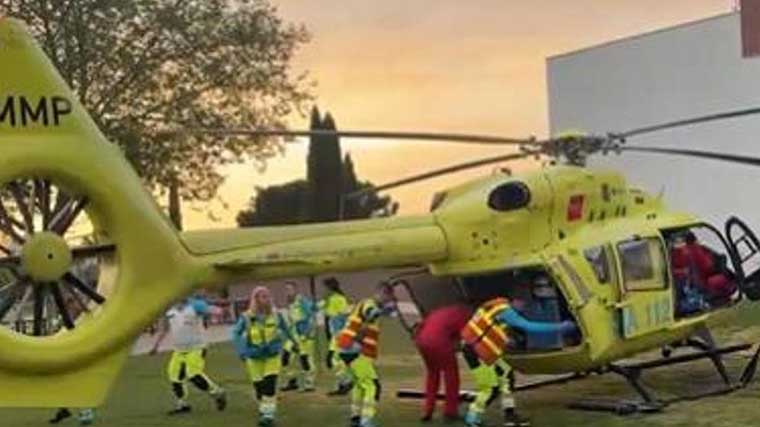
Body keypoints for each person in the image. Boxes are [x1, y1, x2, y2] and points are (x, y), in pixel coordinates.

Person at [460, 295, 577, 427]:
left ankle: (510, 416)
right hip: (477, 352)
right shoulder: (507, 312)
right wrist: (561, 327)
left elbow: (489, 326)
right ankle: (472, 419)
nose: (524, 308)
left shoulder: (495, 305)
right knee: (490, 388)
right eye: (523, 303)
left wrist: (505, 338)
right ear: (515, 301)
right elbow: (530, 327)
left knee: (507, 376)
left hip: (478, 349)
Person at [150, 294, 227, 415]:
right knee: (174, 377)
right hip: (179, 350)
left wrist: (218, 311)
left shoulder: (196, 305)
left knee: (194, 374)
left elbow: (212, 310)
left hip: (196, 348)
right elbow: (164, 328)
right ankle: (182, 404)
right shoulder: (169, 309)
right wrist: (156, 346)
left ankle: (217, 392)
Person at [231, 286, 296, 427]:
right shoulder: (246, 317)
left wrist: (294, 342)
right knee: (259, 388)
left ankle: (268, 415)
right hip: (254, 356)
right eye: (263, 296)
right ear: (256, 299)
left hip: (272, 354)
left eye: (268, 296)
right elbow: (235, 333)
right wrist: (241, 350)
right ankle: (264, 408)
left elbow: (286, 329)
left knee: (269, 384)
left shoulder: (277, 315)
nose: (266, 299)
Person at [336, 282, 398, 427]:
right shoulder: (369, 304)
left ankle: (355, 416)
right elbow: (370, 313)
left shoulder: (367, 304)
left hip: (349, 348)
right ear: (382, 293)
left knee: (359, 384)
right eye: (387, 297)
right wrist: (385, 310)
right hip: (356, 350)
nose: (387, 300)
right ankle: (366, 420)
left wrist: (387, 310)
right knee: (373, 386)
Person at [414, 304, 473, 422]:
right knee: (451, 375)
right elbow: (466, 339)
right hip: (439, 340)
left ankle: (428, 410)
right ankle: (450, 411)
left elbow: (420, 326)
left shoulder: (440, 311)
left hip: (421, 340)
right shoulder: (467, 316)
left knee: (432, 373)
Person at [280, 282, 318, 392]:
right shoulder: (289, 302)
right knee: (286, 357)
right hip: (293, 335)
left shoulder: (302, 301)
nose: (288, 292)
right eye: (286, 289)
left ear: (296, 290)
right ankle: (292, 380)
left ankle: (309, 383)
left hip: (304, 335)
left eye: (290, 289)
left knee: (306, 359)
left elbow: (311, 317)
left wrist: (307, 332)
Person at [320, 277, 353, 396]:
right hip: (334, 335)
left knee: (333, 360)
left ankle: (347, 381)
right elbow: (319, 308)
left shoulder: (339, 299)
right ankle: (342, 385)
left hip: (340, 335)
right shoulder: (329, 300)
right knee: (335, 360)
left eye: (325, 287)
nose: (323, 290)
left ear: (330, 287)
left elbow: (344, 314)